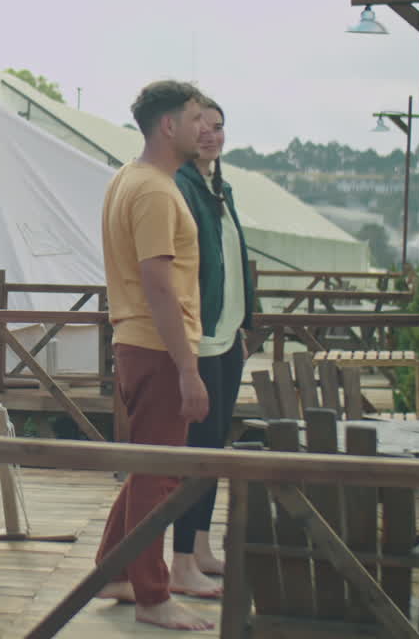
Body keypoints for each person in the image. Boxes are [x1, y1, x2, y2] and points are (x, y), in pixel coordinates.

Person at [94, 80, 214, 631]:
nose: (202, 128)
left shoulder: (129, 178)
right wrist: (188, 367)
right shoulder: (156, 191)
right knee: (161, 474)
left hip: (138, 342)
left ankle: (114, 570)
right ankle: (152, 595)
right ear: (168, 126)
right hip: (158, 346)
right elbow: (158, 282)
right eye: (194, 118)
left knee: (148, 465)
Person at [168, 98, 255, 596]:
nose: (210, 134)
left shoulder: (220, 188)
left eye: (218, 127)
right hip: (199, 341)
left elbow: (232, 258)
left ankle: (199, 547)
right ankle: (180, 561)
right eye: (200, 125)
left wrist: (243, 322)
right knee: (196, 452)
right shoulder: (180, 188)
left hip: (227, 338)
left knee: (214, 445)